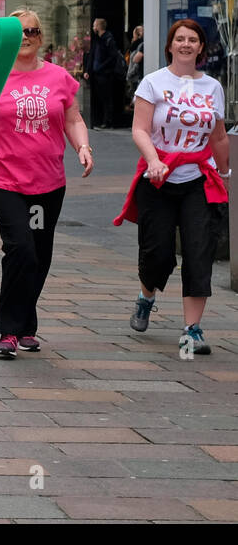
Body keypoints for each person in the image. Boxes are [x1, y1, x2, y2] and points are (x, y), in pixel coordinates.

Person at [0, 10, 93, 358]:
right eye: (19, 31)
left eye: (32, 30)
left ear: (40, 35)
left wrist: (83, 146)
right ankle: (8, 330)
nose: (25, 36)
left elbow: (73, 118)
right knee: (20, 247)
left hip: (48, 183)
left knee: (39, 254)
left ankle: (26, 326)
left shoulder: (59, 77)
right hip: (6, 180)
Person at [117, 18, 228, 356]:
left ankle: (192, 330)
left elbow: (218, 135)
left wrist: (225, 171)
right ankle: (145, 297)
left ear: (201, 48)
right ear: (169, 46)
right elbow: (140, 128)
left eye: (192, 40)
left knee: (199, 252)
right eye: (179, 39)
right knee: (158, 253)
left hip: (198, 178)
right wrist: (153, 160)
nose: (185, 44)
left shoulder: (213, 87)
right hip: (159, 178)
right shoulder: (153, 83)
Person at [84, 18, 124, 129]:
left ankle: (108, 121)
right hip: (97, 73)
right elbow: (92, 56)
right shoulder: (97, 40)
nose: (93, 28)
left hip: (105, 74)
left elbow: (113, 57)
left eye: (94, 26)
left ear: (99, 27)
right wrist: (88, 70)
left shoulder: (108, 39)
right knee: (102, 97)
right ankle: (103, 120)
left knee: (107, 98)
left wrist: (101, 67)